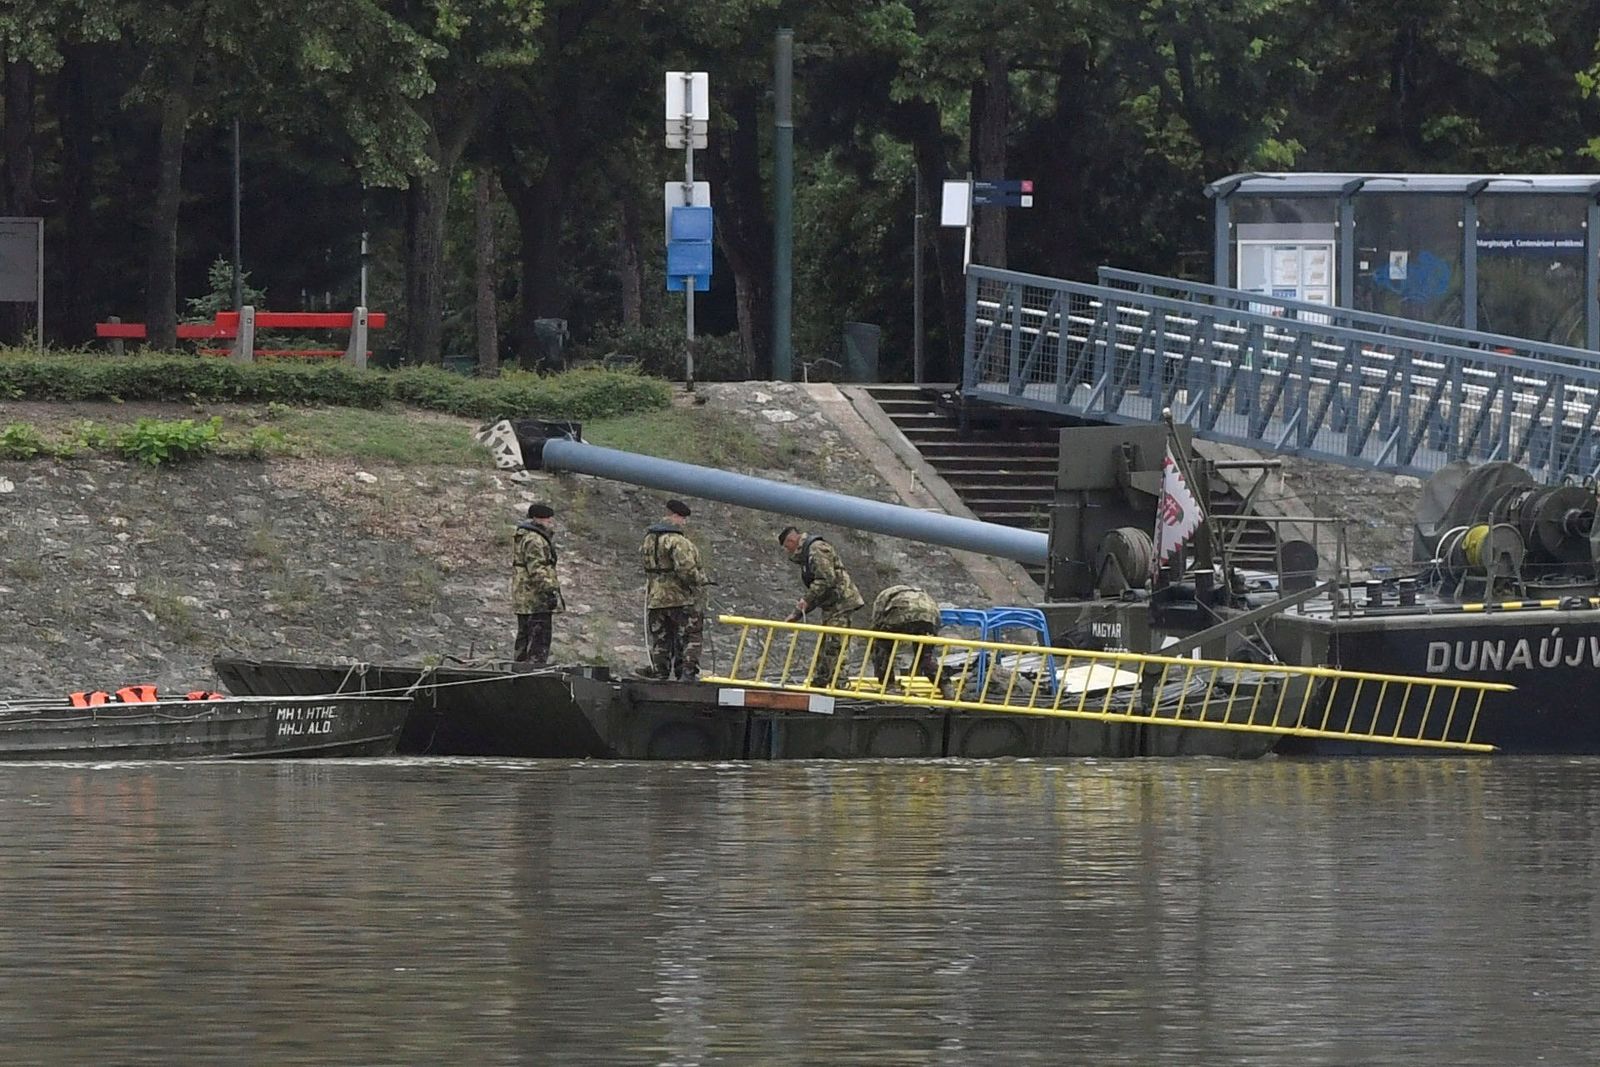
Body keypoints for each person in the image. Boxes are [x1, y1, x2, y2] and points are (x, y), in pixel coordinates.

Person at [778, 525, 864, 685]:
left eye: (786, 547)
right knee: (828, 643)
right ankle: (825, 680)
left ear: (791, 540)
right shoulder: (808, 554)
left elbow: (826, 580)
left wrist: (806, 600)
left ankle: (834, 682)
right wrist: (797, 613)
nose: (787, 551)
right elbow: (820, 588)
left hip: (841, 603)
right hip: (832, 605)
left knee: (834, 643)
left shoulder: (816, 550)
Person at [640, 499, 709, 680]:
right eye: (683, 519)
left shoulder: (649, 539)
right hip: (680, 598)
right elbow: (686, 569)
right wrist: (702, 580)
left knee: (661, 638)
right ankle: (687, 672)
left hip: (656, 598)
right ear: (676, 516)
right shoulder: (678, 541)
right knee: (690, 635)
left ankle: (660, 673)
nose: (684, 523)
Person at [512, 503, 563, 665]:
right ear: (540, 519)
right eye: (548, 519)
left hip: (524, 597)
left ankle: (518, 672)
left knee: (524, 639)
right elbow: (537, 569)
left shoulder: (525, 536)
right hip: (536, 598)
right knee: (538, 640)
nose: (551, 522)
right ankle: (533, 673)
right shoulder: (535, 540)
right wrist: (549, 591)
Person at [868, 584, 943, 689]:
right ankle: (944, 684)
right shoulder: (920, 594)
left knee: (881, 647)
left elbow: (877, 622)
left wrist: (875, 639)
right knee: (925, 655)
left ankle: (888, 685)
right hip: (930, 617)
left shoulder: (883, 596)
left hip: (902, 615)